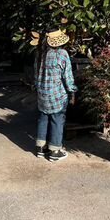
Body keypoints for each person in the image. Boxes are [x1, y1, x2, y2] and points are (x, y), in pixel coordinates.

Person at [32, 29, 77, 162]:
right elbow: (67, 77)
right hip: (57, 95)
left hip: (42, 94)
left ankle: (41, 148)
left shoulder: (39, 53)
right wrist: (72, 91)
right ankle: (55, 151)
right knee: (57, 120)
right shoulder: (62, 54)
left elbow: (35, 76)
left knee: (43, 118)